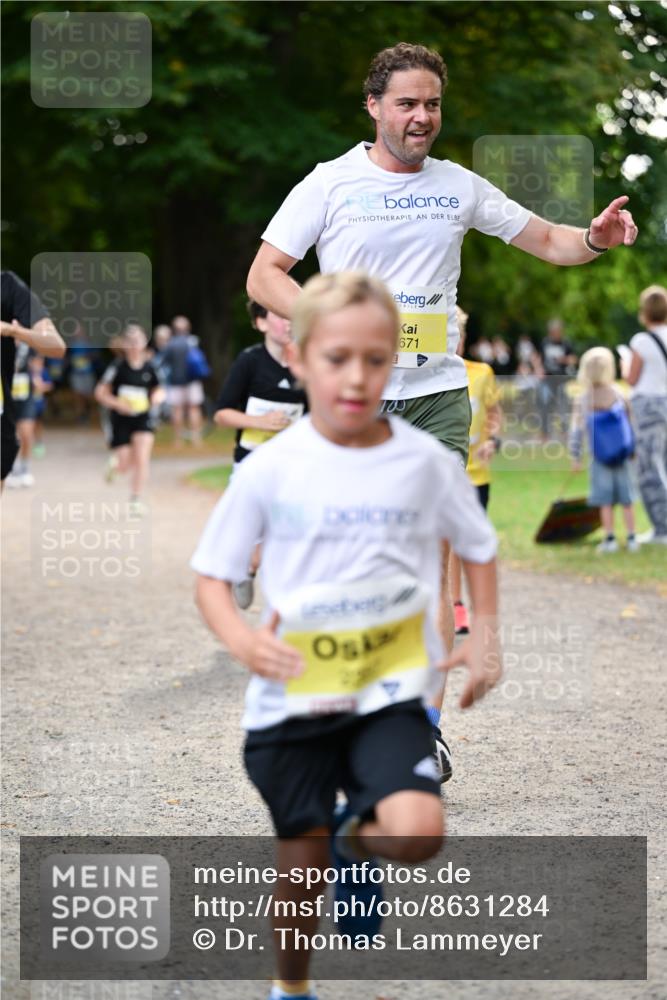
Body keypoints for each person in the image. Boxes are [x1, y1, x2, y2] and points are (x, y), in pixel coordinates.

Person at [246, 41, 638, 777]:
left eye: (431, 104)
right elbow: (265, 275)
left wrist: (593, 237)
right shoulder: (329, 183)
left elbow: (548, 240)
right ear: (373, 106)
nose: (421, 117)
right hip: (353, 403)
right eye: (406, 104)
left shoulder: (458, 186)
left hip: (436, 400)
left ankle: (419, 734)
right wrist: (340, 324)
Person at [192, 272, 501, 1000]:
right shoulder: (271, 469)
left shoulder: (424, 462)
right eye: (336, 359)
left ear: (396, 359)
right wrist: (241, 641)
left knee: (417, 831)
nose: (357, 377)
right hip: (293, 703)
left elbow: (478, 544)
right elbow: (212, 576)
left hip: (387, 693)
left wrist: (484, 631)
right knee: (299, 875)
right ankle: (291, 988)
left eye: (374, 358)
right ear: (299, 359)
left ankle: (355, 832)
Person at [213, 301, 307, 609]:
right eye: (280, 315)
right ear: (261, 323)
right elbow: (222, 414)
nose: (288, 322)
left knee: (288, 533)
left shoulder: (306, 363)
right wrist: (259, 422)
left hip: (292, 467)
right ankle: (247, 567)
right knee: (251, 536)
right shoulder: (249, 361)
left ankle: (287, 604)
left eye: (291, 315)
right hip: (250, 463)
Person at [450, 308, 502, 633]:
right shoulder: (424, 377)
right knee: (448, 543)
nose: (455, 342)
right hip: (445, 475)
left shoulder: (482, 373)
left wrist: (493, 440)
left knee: (471, 542)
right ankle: (455, 606)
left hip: (476, 474)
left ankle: (477, 609)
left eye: (459, 335)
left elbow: (494, 412)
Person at [569, 347, 637, 554]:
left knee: (604, 500)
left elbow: (576, 430)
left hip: (598, 456)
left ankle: (609, 538)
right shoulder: (619, 393)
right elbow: (631, 424)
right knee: (627, 498)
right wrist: (634, 449)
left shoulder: (583, 399)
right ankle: (632, 538)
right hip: (623, 454)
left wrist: (575, 456)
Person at [1, 270, 65, 487]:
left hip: (14, 399)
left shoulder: (8, 286)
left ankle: (24, 467)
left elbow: (56, 346)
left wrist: (12, 331)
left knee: (26, 432)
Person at [94, 324, 163, 515]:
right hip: (120, 420)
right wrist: (117, 403)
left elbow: (159, 388)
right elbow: (100, 393)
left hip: (143, 418)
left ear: (144, 342)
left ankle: (136, 499)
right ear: (124, 344)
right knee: (125, 464)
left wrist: (157, 397)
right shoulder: (117, 367)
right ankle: (116, 467)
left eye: (137, 341)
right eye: (130, 341)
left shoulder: (151, 366)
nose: (134, 345)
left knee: (142, 459)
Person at [626, 285, 667, 545]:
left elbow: (632, 379)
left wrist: (624, 365)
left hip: (648, 407)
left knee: (649, 468)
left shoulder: (641, 341)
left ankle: (662, 528)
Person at [5, 348, 53, 488]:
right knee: (9, 437)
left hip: (26, 398)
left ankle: (24, 468)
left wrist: (36, 376)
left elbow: (38, 365)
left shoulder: (29, 347)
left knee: (26, 434)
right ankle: (11, 469)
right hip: (7, 398)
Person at [163, 315, 205, 446]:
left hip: (176, 381)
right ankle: (196, 439)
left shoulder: (171, 344)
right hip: (193, 380)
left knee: (177, 410)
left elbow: (165, 361)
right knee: (194, 409)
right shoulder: (193, 341)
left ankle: (178, 440)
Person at [538, 318, 578, 440]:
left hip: (561, 379)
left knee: (563, 406)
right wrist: (539, 369)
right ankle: (545, 433)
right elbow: (540, 358)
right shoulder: (545, 342)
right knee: (544, 403)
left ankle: (564, 432)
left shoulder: (566, 343)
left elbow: (574, 359)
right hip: (547, 379)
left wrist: (564, 360)